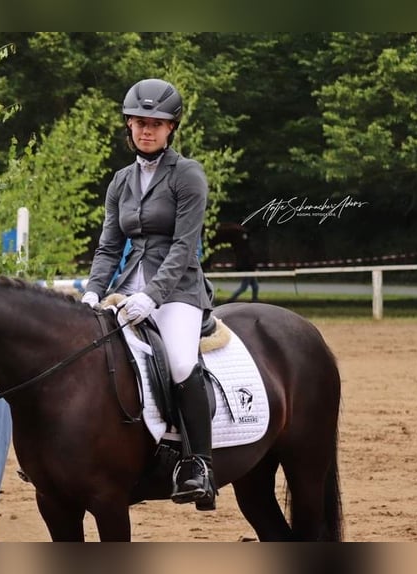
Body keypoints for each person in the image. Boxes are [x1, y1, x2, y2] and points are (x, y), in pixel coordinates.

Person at [80, 78, 216, 510]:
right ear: (129, 125)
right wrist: (92, 292)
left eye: (155, 124)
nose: (146, 130)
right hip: (125, 289)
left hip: (177, 290)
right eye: (139, 122)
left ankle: (199, 463)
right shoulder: (120, 181)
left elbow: (183, 246)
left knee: (178, 361)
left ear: (171, 127)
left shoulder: (188, 174)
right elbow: (108, 247)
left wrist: (154, 296)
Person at [227, 228, 259, 302]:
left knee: (255, 286)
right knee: (244, 288)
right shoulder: (246, 248)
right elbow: (249, 260)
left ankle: (255, 300)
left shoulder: (245, 247)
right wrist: (253, 268)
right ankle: (231, 299)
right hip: (248, 271)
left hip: (250, 270)